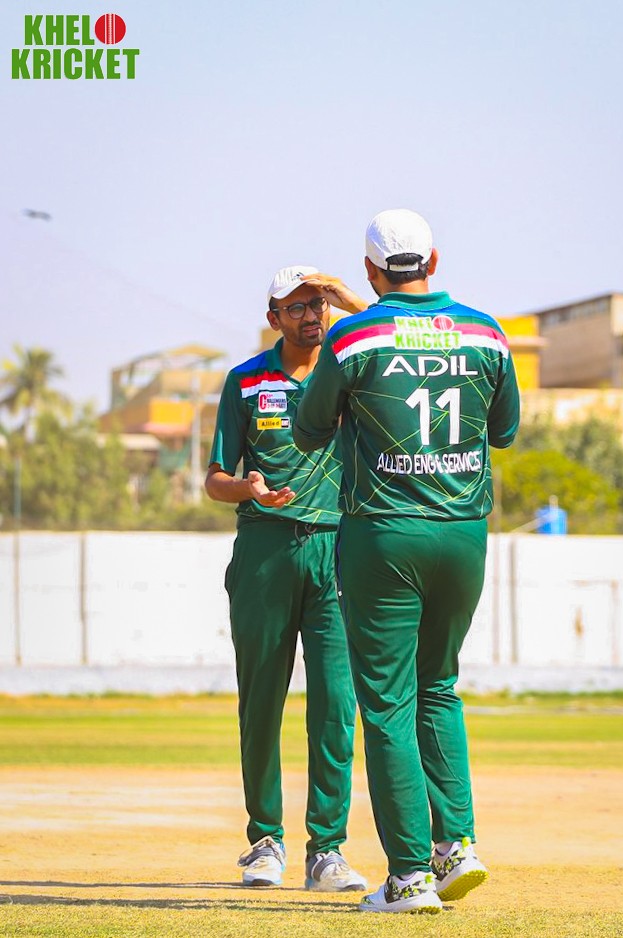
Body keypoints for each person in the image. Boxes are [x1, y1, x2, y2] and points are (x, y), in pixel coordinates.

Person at [294, 210, 520, 913]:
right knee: (439, 687)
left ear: (369, 270)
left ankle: (409, 877)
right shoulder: (487, 333)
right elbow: (504, 430)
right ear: (434, 259)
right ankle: (457, 847)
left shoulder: (352, 336)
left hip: (384, 535)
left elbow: (307, 430)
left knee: (388, 702)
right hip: (464, 534)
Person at [205, 265, 368, 891]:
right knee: (261, 702)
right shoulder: (245, 381)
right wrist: (246, 487)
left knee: (336, 706)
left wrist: (345, 295)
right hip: (265, 551)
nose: (310, 315)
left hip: (338, 551)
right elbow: (215, 479)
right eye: (295, 307)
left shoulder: (352, 373)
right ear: (273, 318)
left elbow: (385, 331)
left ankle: (327, 850)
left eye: (317, 304)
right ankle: (264, 842)